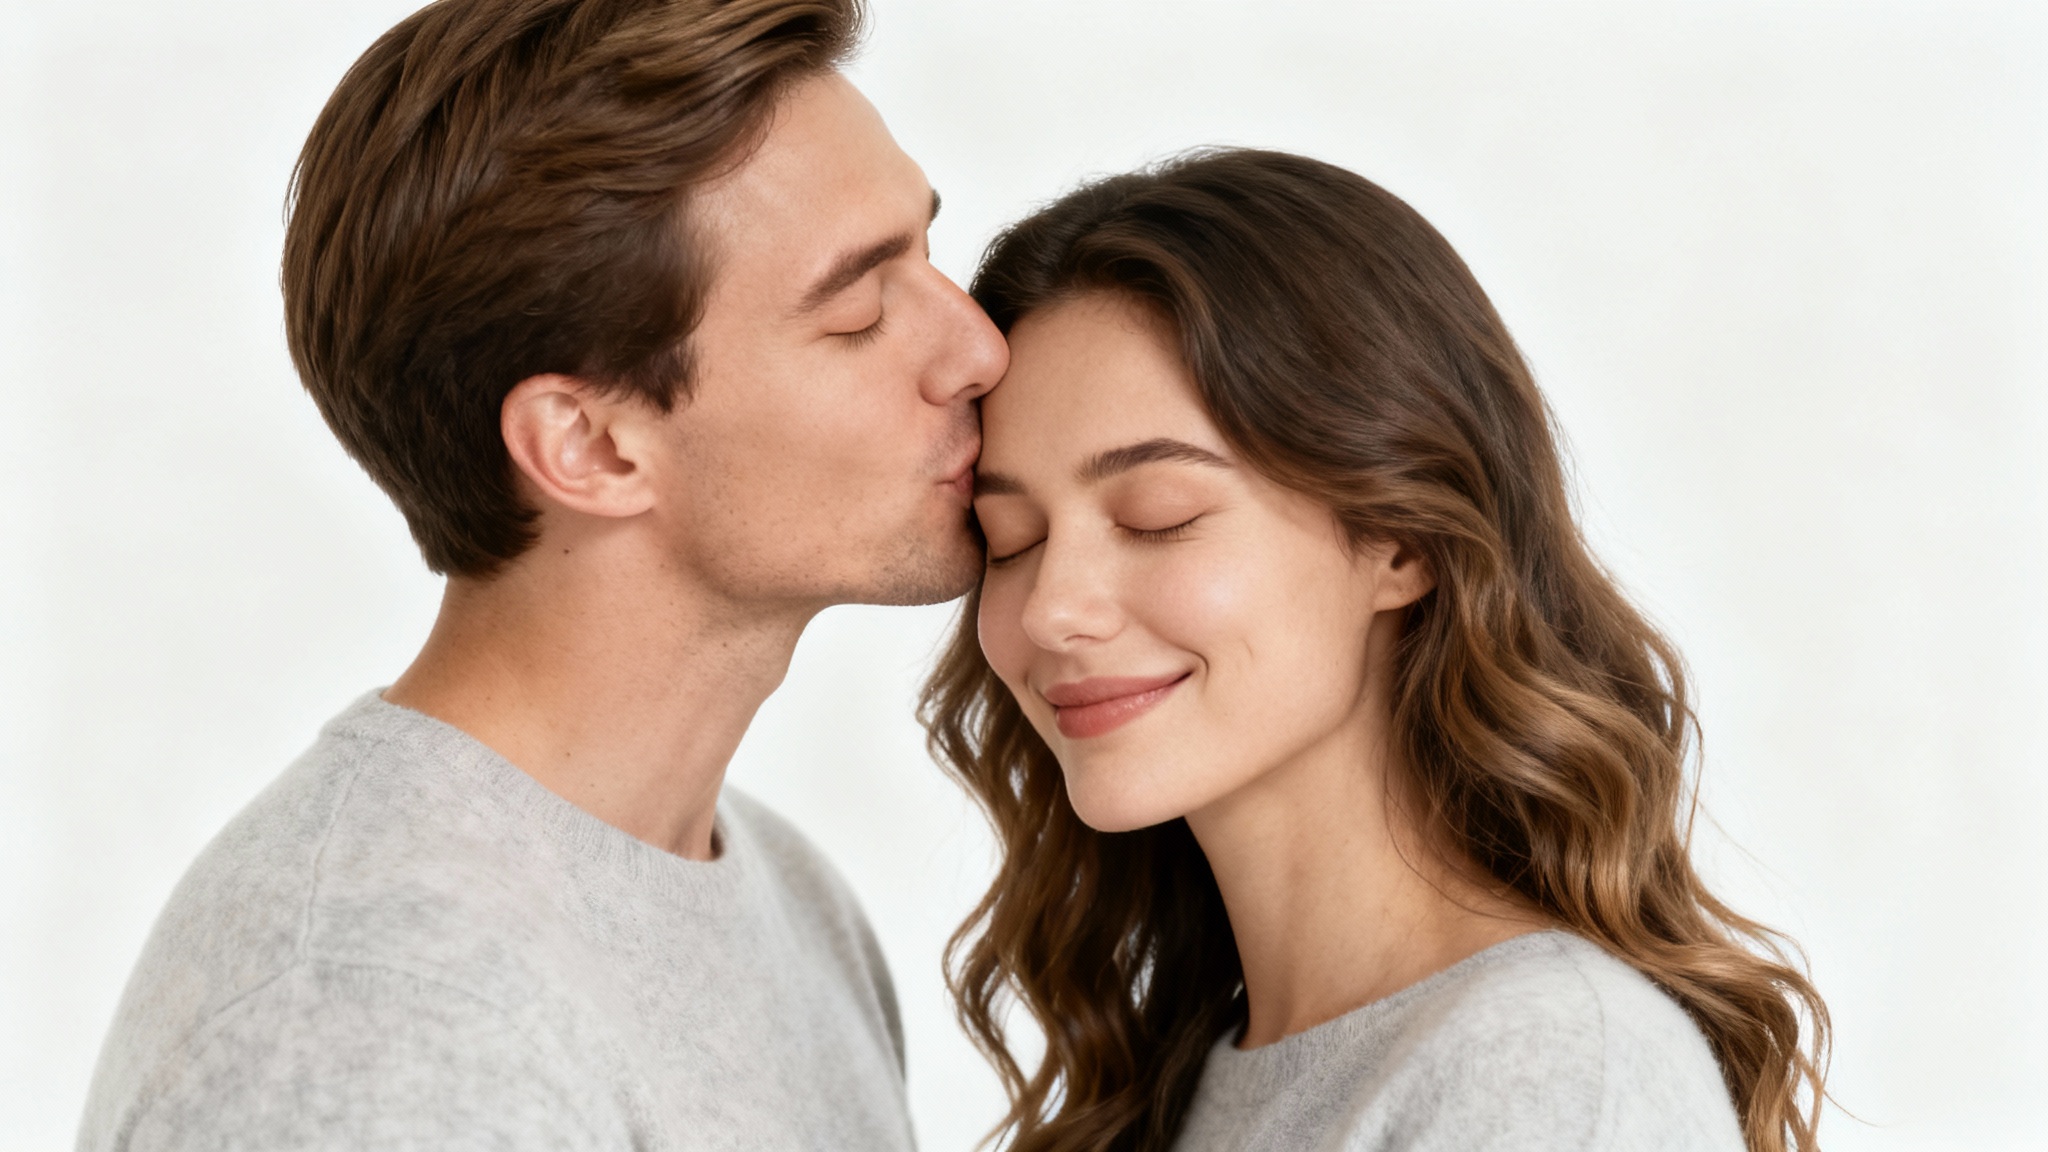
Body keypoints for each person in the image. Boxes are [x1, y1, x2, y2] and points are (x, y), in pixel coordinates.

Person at [79, 0, 1006, 1147]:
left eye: (926, 252)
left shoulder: (786, 898)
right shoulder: (372, 1025)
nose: (978, 349)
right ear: (591, 446)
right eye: (860, 310)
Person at [921, 149, 1830, 1152]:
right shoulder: (1185, 1078)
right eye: (1012, 540)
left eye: (1156, 515)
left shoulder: (1544, 1071)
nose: (1051, 608)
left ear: (1401, 540)